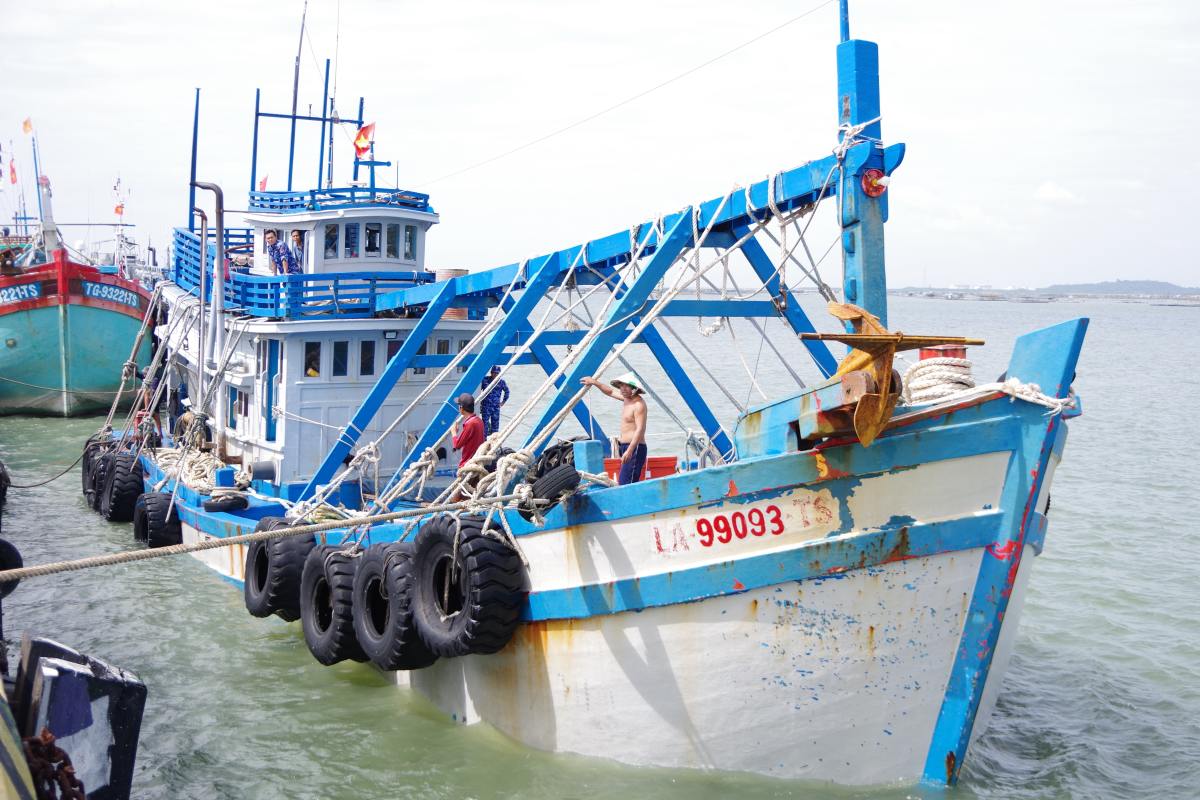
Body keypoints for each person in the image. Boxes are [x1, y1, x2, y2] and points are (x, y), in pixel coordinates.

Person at [581, 371, 647, 485]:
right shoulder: (627, 399)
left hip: (635, 447)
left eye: (626, 386)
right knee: (625, 480)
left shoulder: (638, 404)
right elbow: (610, 391)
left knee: (626, 482)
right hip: (625, 446)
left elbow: (640, 429)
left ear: (635, 388)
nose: (623, 389)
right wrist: (594, 382)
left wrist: (630, 450)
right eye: (621, 386)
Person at [450, 393, 485, 468]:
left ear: (461, 408)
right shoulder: (479, 420)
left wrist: (454, 432)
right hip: (477, 462)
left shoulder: (470, 424)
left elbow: (457, 445)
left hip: (468, 464)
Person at [479, 365, 510, 436]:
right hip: (486, 406)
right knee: (484, 425)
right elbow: (478, 391)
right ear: (491, 373)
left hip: (496, 407)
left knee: (495, 427)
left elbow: (507, 392)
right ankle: (484, 442)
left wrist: (503, 402)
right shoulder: (485, 380)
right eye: (494, 373)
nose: (495, 375)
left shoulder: (501, 382)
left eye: (497, 373)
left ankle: (494, 442)